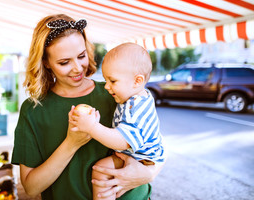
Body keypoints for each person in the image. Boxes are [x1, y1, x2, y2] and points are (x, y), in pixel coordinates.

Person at [11, 14, 166, 200]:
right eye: (64, 62)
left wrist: (149, 174)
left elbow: (152, 143)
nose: (77, 68)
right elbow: (30, 188)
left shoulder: (115, 92)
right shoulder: (34, 110)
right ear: (46, 62)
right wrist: (71, 143)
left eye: (81, 56)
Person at [70, 42, 166, 200]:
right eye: (106, 80)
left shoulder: (135, 108)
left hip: (141, 159)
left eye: (113, 81)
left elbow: (122, 141)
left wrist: (92, 127)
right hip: (139, 156)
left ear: (137, 81)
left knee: (101, 170)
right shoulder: (136, 97)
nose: (107, 87)